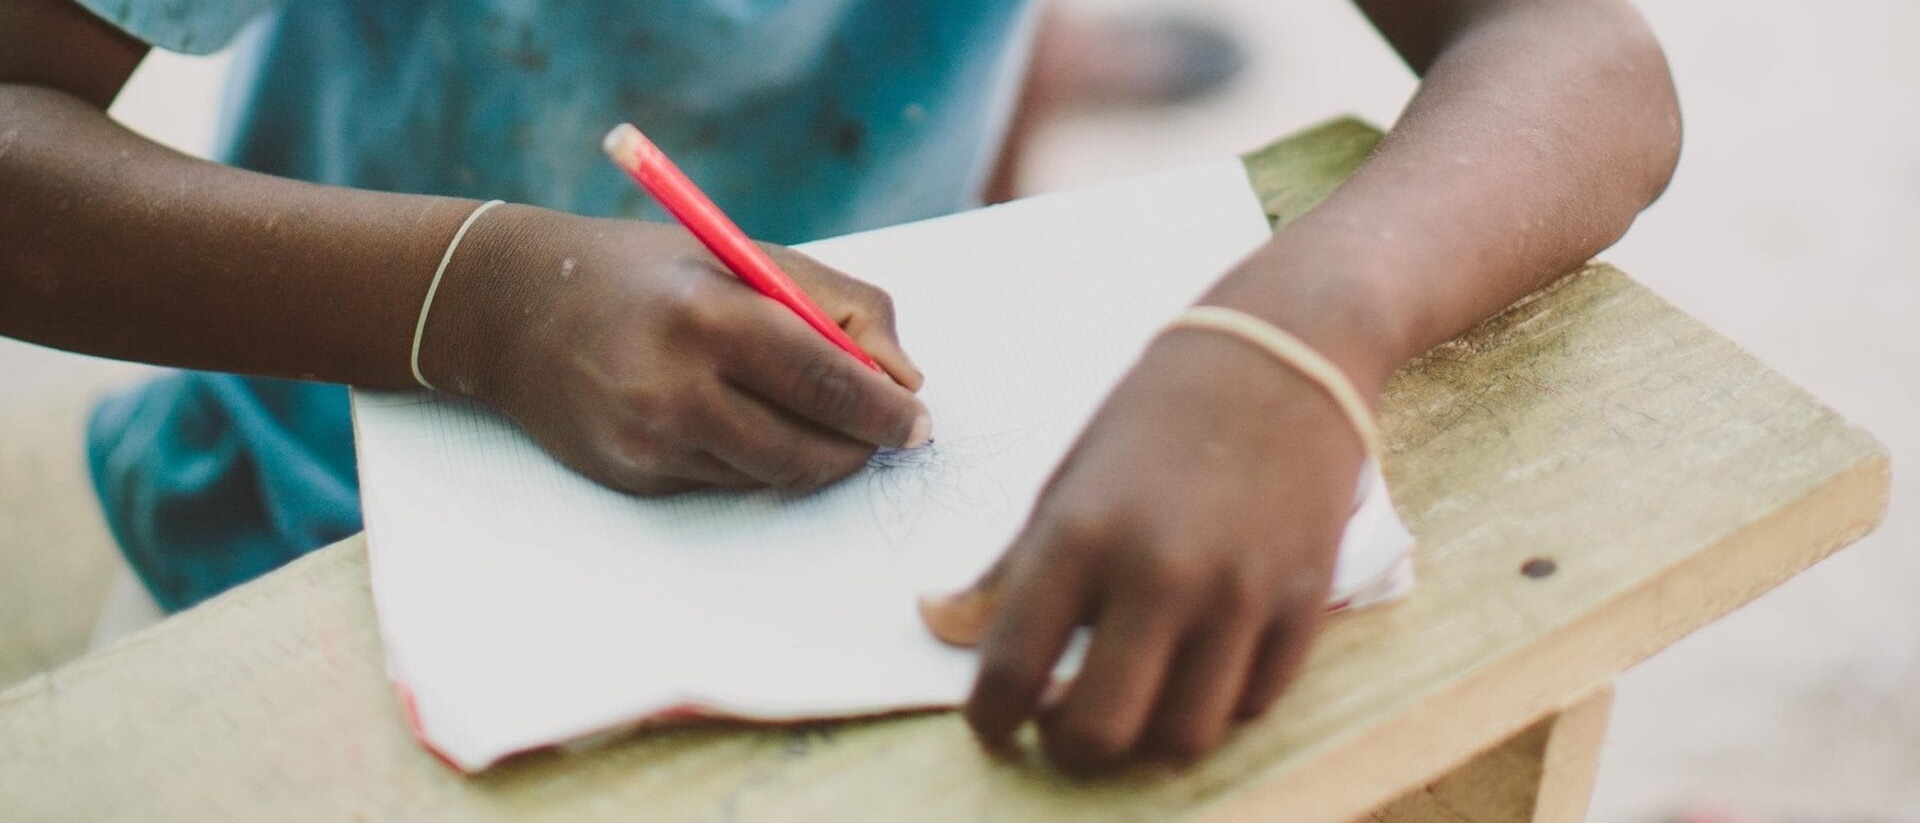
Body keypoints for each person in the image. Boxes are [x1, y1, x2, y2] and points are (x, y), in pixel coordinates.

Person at [0, 0, 1680, 771]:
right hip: (306, 546)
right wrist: (478, 301)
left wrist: (1295, 335)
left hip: (854, 614)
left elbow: (1581, 58)